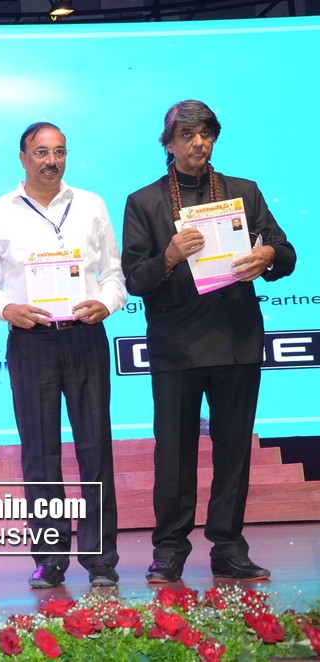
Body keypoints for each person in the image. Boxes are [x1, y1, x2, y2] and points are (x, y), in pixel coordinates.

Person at [121, 100, 296, 582]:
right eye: (188, 135)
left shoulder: (244, 191)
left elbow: (287, 254)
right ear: (169, 143)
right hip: (176, 344)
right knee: (173, 452)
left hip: (237, 339)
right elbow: (134, 279)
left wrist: (267, 255)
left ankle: (228, 546)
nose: (199, 143)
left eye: (207, 134)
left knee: (233, 449)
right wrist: (169, 256)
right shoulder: (145, 202)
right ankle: (169, 548)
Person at [0, 122, 125, 588]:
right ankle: (50, 558)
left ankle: (100, 559)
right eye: (41, 152)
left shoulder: (91, 204)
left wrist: (107, 303)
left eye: (59, 151)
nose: (51, 160)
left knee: (95, 448)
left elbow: (114, 273)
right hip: (31, 339)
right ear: (23, 158)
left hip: (85, 335)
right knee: (39, 454)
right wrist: (6, 309)